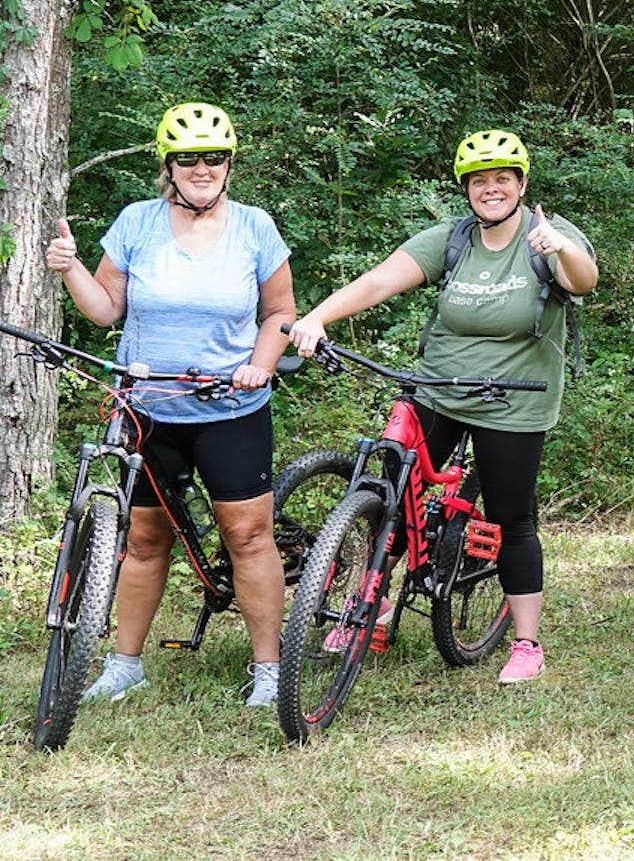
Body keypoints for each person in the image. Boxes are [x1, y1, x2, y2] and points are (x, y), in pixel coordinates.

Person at [290, 130, 597, 685]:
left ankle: (526, 642)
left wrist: (562, 249)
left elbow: (585, 280)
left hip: (514, 400)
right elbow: (381, 280)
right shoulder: (452, 239)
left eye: (503, 178)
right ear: (467, 190)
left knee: (512, 518)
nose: (492, 189)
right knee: (390, 492)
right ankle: (374, 607)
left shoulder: (547, 235)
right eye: (480, 181)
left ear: (522, 184)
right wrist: (318, 317)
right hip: (440, 385)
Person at [48, 103, 296, 708]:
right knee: (145, 537)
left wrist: (261, 363)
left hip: (229, 407)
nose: (201, 168)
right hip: (148, 407)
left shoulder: (255, 227)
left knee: (249, 535)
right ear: (169, 165)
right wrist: (71, 267)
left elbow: (281, 312)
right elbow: (107, 308)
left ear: (229, 164)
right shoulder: (136, 222)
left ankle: (268, 669)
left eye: (213, 157)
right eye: (188, 157)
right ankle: (125, 662)